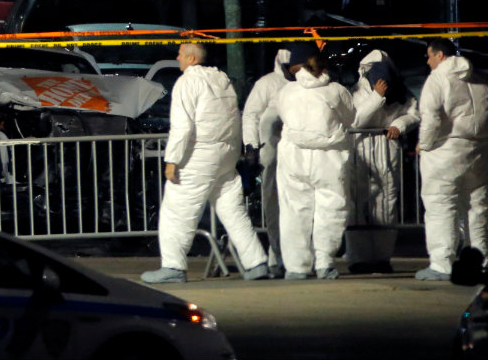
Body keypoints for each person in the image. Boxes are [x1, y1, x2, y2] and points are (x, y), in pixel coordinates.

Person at [142, 43, 271, 283]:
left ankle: (173, 267)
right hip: (225, 157)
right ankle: (256, 262)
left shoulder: (187, 83)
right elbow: (234, 117)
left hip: (197, 158)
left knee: (176, 212)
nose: (177, 57)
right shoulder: (222, 80)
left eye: (180, 53)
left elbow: (183, 126)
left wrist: (172, 159)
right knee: (232, 210)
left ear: (191, 59)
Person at [416, 38, 488, 281]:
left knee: (441, 206)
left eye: (429, 56)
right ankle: (480, 256)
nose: (428, 61)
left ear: (440, 56)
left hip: (444, 153)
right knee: (477, 207)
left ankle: (442, 263)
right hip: (478, 151)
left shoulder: (437, 79)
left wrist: (426, 144)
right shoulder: (482, 78)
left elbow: (431, 117)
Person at [271, 42, 356, 280]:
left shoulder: (286, 92)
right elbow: (350, 117)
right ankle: (325, 262)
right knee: (331, 210)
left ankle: (296, 267)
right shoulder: (337, 90)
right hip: (329, 157)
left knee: (294, 211)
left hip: (294, 157)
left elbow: (282, 115)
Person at [346, 49, 420, 273]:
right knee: (358, 204)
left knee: (387, 203)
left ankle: (382, 257)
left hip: (386, 148)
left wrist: (400, 124)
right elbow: (356, 120)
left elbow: (413, 113)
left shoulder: (400, 91)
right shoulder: (356, 92)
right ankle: (358, 258)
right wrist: (376, 97)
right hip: (360, 148)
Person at [241, 48, 294, 278]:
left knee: (295, 206)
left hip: (295, 152)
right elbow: (250, 114)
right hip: (271, 153)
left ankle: (293, 256)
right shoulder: (267, 83)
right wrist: (251, 146)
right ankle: (277, 255)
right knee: (273, 204)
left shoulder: (302, 85)